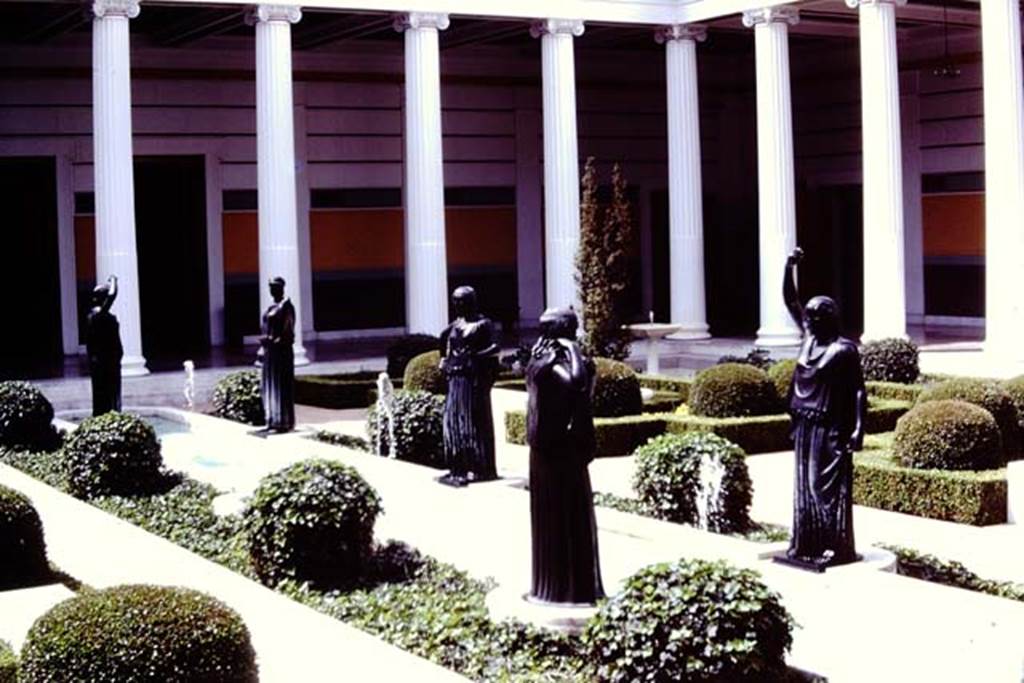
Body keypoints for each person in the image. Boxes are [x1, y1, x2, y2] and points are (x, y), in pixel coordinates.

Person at [781, 247, 866, 569]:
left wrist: (858, 429)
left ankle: (835, 545)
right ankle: (808, 542)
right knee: (804, 486)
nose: (809, 321)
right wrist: (788, 267)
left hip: (830, 428)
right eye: (809, 317)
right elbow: (790, 300)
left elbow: (858, 390)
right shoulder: (809, 339)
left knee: (823, 487)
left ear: (828, 319)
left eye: (815, 317)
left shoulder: (845, 350)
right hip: (804, 424)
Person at [525, 307, 604, 604]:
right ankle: (559, 588)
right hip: (554, 450)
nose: (542, 335)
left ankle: (565, 588)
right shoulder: (548, 362)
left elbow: (581, 382)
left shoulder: (549, 360)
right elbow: (575, 382)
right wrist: (572, 349)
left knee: (568, 517)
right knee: (559, 519)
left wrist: (571, 351)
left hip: (563, 449)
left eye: (548, 328)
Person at [438, 286, 499, 486]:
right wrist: (444, 361)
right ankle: (458, 467)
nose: (457, 304)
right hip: (456, 379)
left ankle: (480, 468)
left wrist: (475, 356)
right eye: (455, 300)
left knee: (474, 422)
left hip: (473, 381)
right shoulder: (455, 325)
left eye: (461, 300)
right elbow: (443, 342)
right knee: (454, 422)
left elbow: (495, 347)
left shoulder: (483, 324)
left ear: (471, 301)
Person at [259, 276, 296, 432]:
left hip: (281, 353)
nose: (272, 290)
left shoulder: (286, 306)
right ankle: (271, 420)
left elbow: (288, 333)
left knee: (281, 386)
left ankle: (283, 422)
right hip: (270, 352)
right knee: (270, 385)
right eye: (271, 287)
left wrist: (273, 341)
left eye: (275, 287)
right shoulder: (271, 307)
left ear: (281, 288)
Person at [87, 275, 123, 416]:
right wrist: (114, 279)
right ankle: (106, 418)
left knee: (111, 394)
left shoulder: (101, 314)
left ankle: (111, 415)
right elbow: (112, 295)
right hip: (104, 362)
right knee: (106, 394)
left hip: (110, 360)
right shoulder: (97, 314)